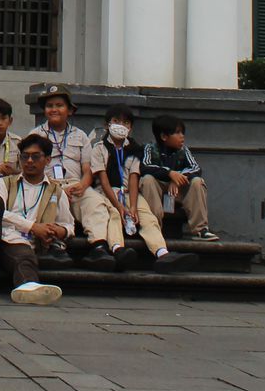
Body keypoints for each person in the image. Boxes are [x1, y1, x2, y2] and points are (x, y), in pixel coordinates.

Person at [0, 132, 73, 304]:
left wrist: (60, 231)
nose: (29, 161)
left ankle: (28, 286)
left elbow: (68, 224)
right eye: (24, 156)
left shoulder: (56, 191)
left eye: (35, 157)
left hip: (25, 243)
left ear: (47, 160)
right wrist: (32, 226)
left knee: (24, 256)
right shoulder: (4, 183)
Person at [82, 106, 181, 265]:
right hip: (107, 193)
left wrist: (133, 206)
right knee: (114, 215)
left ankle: (162, 252)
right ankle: (117, 248)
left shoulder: (134, 149)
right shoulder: (99, 148)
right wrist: (119, 205)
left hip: (129, 192)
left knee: (147, 217)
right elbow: (103, 179)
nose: (121, 125)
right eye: (116, 121)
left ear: (131, 128)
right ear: (107, 124)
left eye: (126, 122)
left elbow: (134, 177)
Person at [140, 114, 217, 239]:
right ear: (164, 136)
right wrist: (170, 174)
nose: (182, 136)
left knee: (197, 181)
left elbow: (196, 168)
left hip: (177, 193)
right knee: (147, 180)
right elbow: (145, 167)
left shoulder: (183, 151)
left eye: (182, 132)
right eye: (177, 133)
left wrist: (177, 179)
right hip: (158, 192)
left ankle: (200, 230)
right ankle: (153, 228)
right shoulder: (149, 148)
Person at [38, 87, 96, 238]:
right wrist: (56, 188)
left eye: (59, 105)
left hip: (76, 185)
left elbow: (88, 169)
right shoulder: (36, 135)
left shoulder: (81, 136)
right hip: (47, 186)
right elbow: (31, 170)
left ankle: (98, 243)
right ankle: (53, 242)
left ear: (69, 110)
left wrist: (82, 185)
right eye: (49, 106)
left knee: (94, 203)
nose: (54, 109)